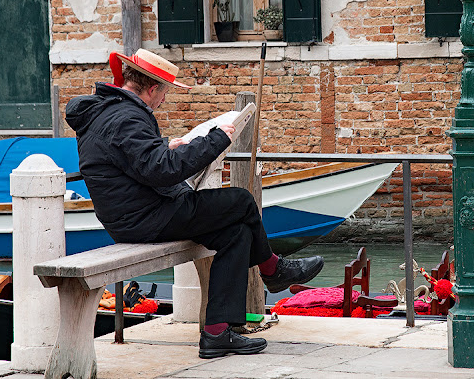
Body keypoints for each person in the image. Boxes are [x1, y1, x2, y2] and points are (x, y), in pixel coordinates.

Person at [65, 48, 323, 359]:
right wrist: (216, 139)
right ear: (152, 89)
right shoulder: (127, 118)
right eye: (164, 94)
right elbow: (163, 171)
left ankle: (217, 333)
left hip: (136, 212)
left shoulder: (111, 112)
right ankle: (272, 269)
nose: (163, 101)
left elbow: (131, 156)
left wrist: (165, 144)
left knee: (236, 233)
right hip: (143, 218)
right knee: (241, 201)